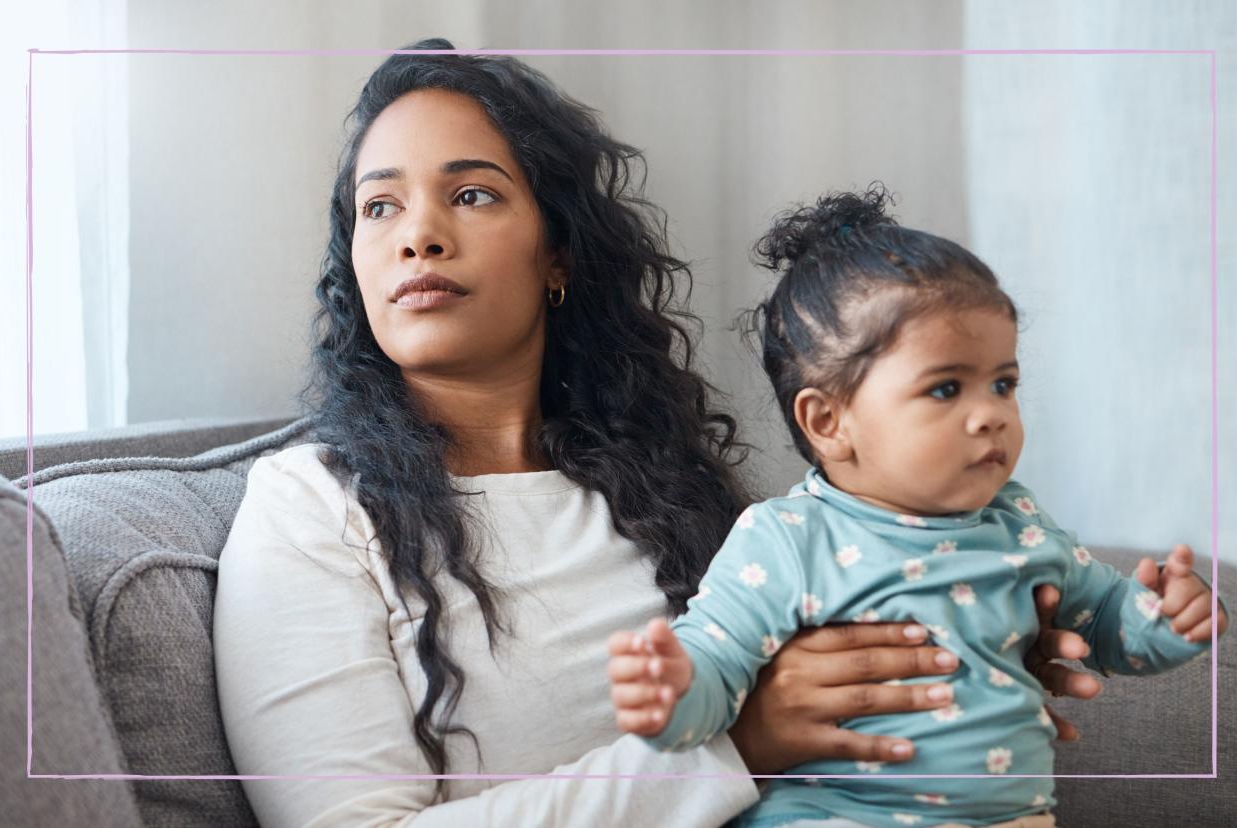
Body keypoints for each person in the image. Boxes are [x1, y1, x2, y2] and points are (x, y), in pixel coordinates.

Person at [214, 43, 1102, 827]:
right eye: (379, 209)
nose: (419, 238)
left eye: (472, 193)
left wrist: (959, 651)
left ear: (558, 253)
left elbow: (808, 667)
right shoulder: (311, 509)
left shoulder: (659, 486)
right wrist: (734, 750)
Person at [607, 187, 1228, 828]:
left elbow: (1105, 624)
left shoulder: (1020, 524)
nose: (990, 414)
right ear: (828, 421)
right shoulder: (788, 539)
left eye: (1003, 384)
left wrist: (1168, 617)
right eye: (946, 388)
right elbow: (715, 666)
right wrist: (672, 691)